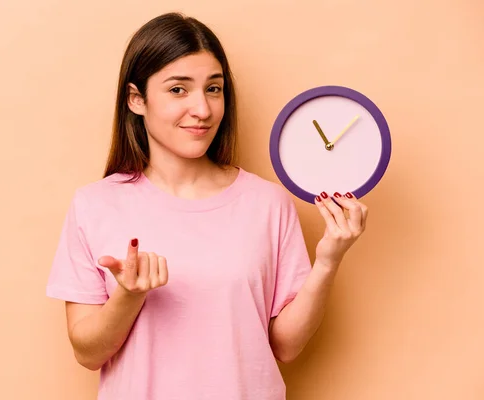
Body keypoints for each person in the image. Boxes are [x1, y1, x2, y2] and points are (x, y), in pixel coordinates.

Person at [46, 12, 368, 400]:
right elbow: (87, 352)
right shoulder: (95, 204)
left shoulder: (268, 203)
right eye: (178, 90)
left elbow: (286, 346)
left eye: (213, 89)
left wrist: (329, 261)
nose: (202, 109)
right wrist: (128, 295)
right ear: (136, 99)